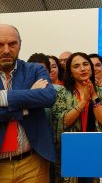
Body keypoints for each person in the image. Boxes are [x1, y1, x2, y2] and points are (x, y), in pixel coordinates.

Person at [0, 24, 56, 182]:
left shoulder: (35, 70)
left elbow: (48, 97)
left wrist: (4, 98)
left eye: (12, 44)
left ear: (20, 44)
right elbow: (38, 98)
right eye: (0, 44)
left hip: (32, 164)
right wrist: (27, 101)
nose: (6, 50)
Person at [50, 52, 102, 183]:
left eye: (85, 64)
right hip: (71, 152)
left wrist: (94, 96)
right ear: (70, 73)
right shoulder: (62, 93)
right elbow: (61, 122)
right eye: (76, 66)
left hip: (96, 150)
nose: (83, 69)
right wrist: (83, 102)